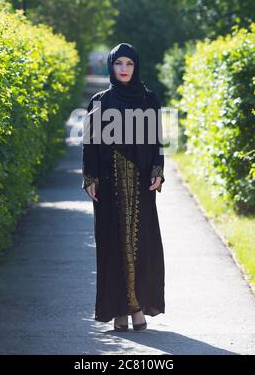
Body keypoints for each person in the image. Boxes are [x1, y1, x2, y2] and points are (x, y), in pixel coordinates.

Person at [81, 42, 165, 332]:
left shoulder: (148, 99)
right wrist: (90, 176)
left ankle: (137, 307)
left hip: (141, 184)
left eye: (129, 64)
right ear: (111, 66)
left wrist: (158, 169)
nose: (124, 69)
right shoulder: (100, 101)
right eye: (119, 64)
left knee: (141, 245)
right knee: (112, 244)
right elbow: (90, 143)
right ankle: (119, 310)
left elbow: (156, 140)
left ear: (136, 66)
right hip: (109, 183)